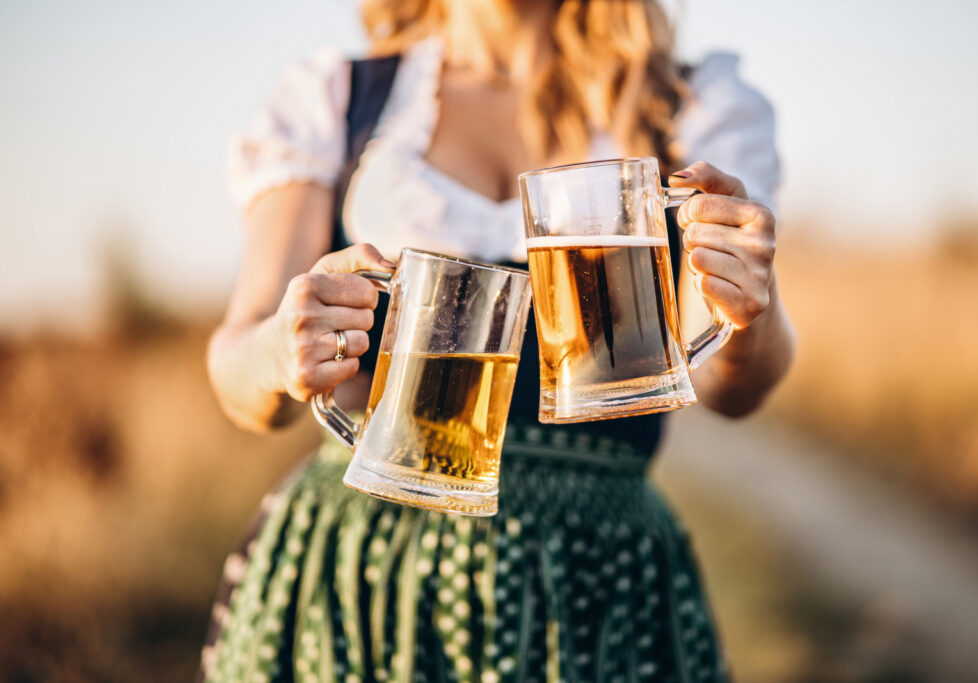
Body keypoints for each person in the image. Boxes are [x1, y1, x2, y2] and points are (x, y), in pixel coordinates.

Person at [201, 0, 795, 681]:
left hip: (599, 576)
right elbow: (239, 371)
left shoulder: (687, 107)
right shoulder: (341, 101)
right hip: (366, 569)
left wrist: (753, 304)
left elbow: (729, 386)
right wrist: (279, 347)